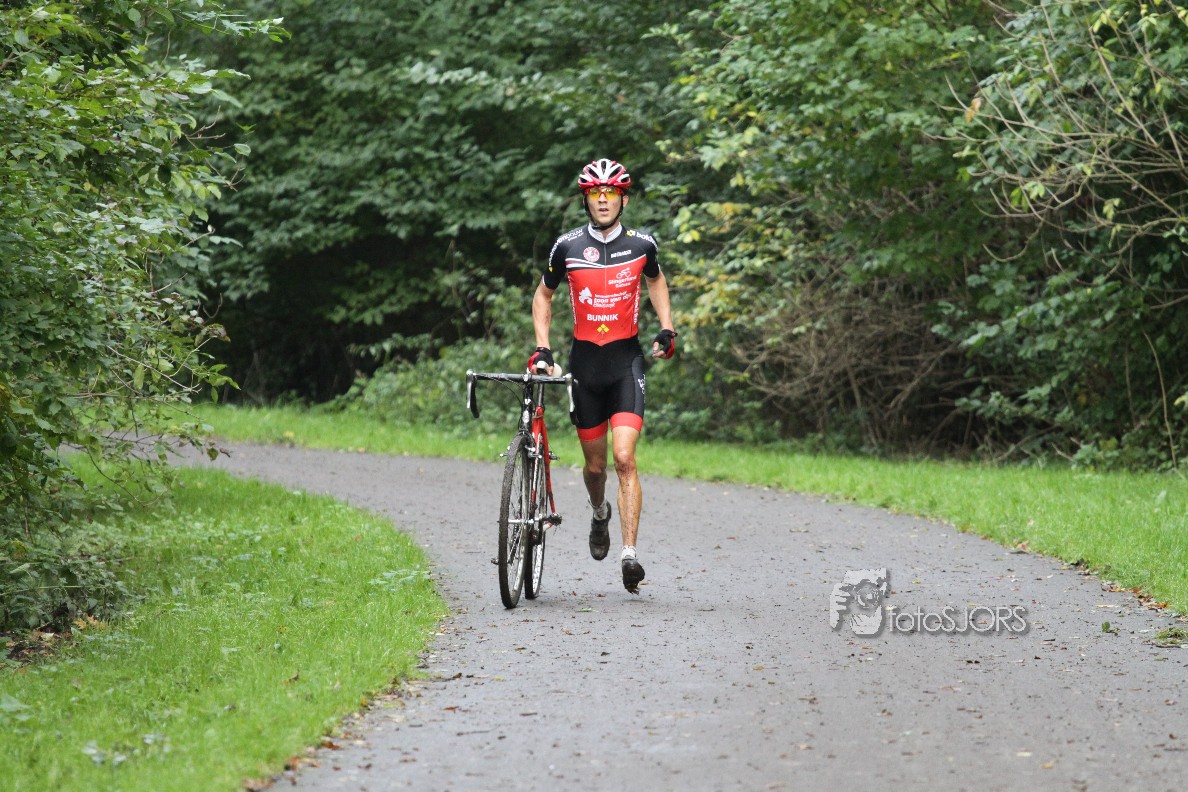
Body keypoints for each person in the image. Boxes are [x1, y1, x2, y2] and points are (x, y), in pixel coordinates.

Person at [529, 158, 677, 594]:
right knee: (595, 467)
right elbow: (543, 295)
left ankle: (629, 554)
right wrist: (543, 346)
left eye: (611, 193)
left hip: (626, 363)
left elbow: (656, 281)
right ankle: (599, 513)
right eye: (596, 194)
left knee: (624, 457)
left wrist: (666, 327)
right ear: (586, 201)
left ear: (623, 199)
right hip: (586, 367)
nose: (604, 200)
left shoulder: (643, 244)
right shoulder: (567, 247)